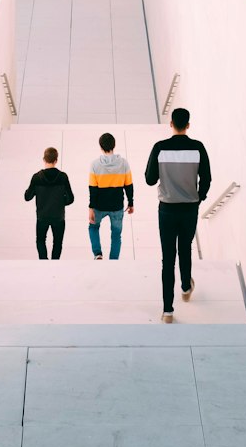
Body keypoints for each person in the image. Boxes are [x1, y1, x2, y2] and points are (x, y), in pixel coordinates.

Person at [144, 107, 211, 322]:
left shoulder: (160, 148)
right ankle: (185, 287)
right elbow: (207, 178)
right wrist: (198, 197)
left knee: (168, 259)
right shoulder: (198, 148)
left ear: (171, 124)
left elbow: (150, 179)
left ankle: (168, 310)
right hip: (189, 208)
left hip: (167, 209)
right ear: (188, 125)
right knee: (185, 249)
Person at [88, 132, 134, 260]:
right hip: (117, 206)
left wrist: (91, 207)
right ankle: (113, 260)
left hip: (99, 205)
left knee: (93, 227)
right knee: (116, 235)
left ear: (101, 147)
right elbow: (129, 185)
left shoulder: (95, 165)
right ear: (114, 145)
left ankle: (98, 254)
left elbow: (93, 189)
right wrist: (131, 203)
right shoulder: (124, 163)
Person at [23, 146, 74, 260]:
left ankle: (44, 263)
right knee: (58, 242)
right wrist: (60, 202)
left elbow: (27, 197)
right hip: (58, 217)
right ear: (56, 160)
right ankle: (55, 264)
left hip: (42, 216)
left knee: (41, 240)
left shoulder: (36, 177)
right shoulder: (63, 177)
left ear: (44, 159)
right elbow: (71, 198)